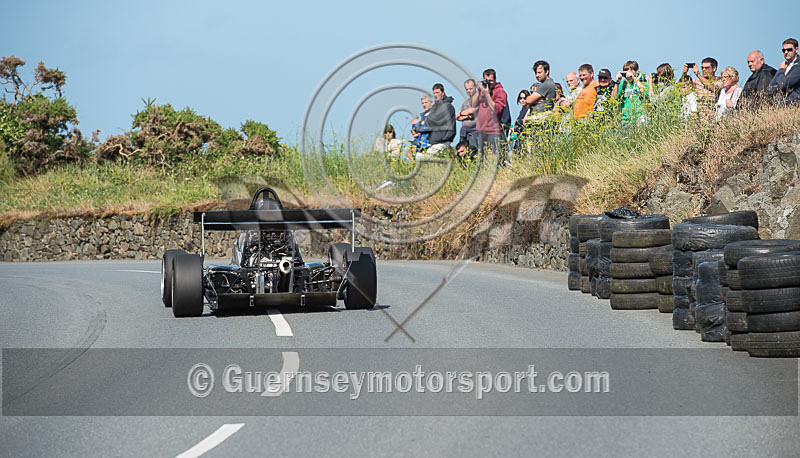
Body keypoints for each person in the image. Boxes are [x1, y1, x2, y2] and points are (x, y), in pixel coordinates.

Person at [472, 68, 508, 162]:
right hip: (481, 130)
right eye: (486, 81)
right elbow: (473, 104)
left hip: (493, 131)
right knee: (480, 160)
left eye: (490, 81)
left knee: (496, 160)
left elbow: (497, 110)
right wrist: (479, 91)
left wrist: (487, 95)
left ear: (495, 79)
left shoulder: (500, 91)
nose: (489, 83)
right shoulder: (482, 91)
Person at [419, 83, 456, 154]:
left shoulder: (447, 106)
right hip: (436, 139)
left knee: (425, 158)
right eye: (434, 93)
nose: (436, 95)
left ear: (442, 92)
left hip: (443, 139)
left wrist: (426, 121)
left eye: (437, 92)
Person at [767, 38, 800, 105]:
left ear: (796, 50)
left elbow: (785, 84)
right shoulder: (784, 66)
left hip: (793, 105)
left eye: (789, 50)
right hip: (779, 106)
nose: (786, 52)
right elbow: (769, 88)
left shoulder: (798, 66)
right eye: (784, 50)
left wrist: (781, 70)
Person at [616, 60, 649, 125]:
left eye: (630, 71)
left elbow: (645, 93)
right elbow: (616, 97)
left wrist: (634, 78)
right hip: (625, 118)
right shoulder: (623, 83)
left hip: (639, 117)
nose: (628, 75)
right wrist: (618, 82)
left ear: (636, 70)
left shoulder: (642, 80)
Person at [456, 79, 478, 148]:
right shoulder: (465, 103)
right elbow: (457, 117)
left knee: (473, 151)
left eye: (470, 89)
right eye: (467, 89)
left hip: (475, 131)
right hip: (464, 132)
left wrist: (462, 114)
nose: (468, 91)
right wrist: (467, 116)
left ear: (476, 87)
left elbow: (471, 111)